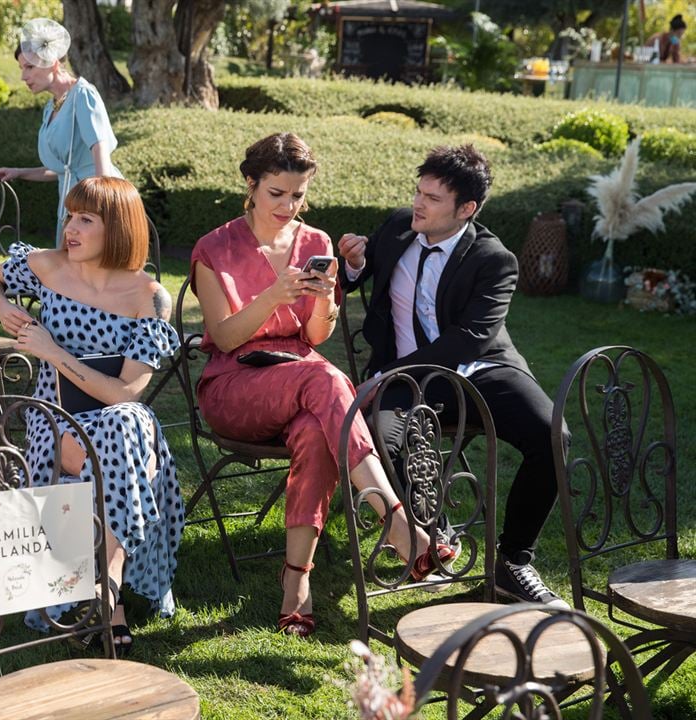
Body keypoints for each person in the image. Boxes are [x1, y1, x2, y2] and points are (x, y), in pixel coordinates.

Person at [191, 133, 452, 638]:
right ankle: (397, 522)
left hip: (305, 382)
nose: (288, 206)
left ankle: (296, 584)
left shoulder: (316, 243)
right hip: (235, 383)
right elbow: (222, 335)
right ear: (251, 184)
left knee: (317, 428)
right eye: (277, 194)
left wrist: (324, 300)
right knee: (327, 378)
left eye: (298, 195)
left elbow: (315, 336)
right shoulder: (214, 247)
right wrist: (273, 295)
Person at [337, 144, 569, 608]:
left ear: (467, 209)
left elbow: (469, 339)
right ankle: (429, 532)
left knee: (552, 436)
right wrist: (354, 264)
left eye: (433, 198)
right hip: (403, 378)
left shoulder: (494, 260)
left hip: (478, 369)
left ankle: (514, 563)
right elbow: (350, 282)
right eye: (418, 191)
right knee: (386, 436)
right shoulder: (397, 228)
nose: (418, 204)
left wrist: (388, 374)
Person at [0, 176, 181, 655]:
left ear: (118, 228)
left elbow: (125, 393)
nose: (70, 228)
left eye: (86, 219)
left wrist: (52, 351)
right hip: (55, 421)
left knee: (125, 422)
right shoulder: (49, 267)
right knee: (126, 433)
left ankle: (106, 593)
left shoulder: (150, 298)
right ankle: (110, 602)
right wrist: (3, 305)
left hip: (117, 425)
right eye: (71, 216)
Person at [0, 18, 121, 245]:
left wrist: (99, 211)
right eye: (21, 68)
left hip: (95, 205)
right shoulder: (51, 106)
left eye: (29, 67)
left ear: (53, 63)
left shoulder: (82, 94)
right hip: (71, 205)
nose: (23, 77)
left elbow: (101, 156)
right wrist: (18, 172)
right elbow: (63, 169)